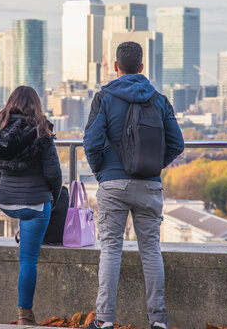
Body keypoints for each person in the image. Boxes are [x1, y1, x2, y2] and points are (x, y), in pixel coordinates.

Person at [84, 42, 184, 329]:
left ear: (115, 67)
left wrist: (102, 172)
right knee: (150, 250)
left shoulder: (103, 98)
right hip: (150, 186)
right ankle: (158, 322)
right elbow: (177, 143)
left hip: (113, 185)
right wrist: (153, 166)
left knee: (111, 249)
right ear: (142, 68)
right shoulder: (160, 100)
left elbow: (90, 142)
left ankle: (104, 321)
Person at [0, 86, 62, 324]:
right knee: (28, 259)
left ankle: (23, 231)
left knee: (27, 218)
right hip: (35, 205)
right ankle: (25, 314)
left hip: (5, 202)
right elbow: (54, 174)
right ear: (36, 105)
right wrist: (53, 197)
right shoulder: (41, 132)